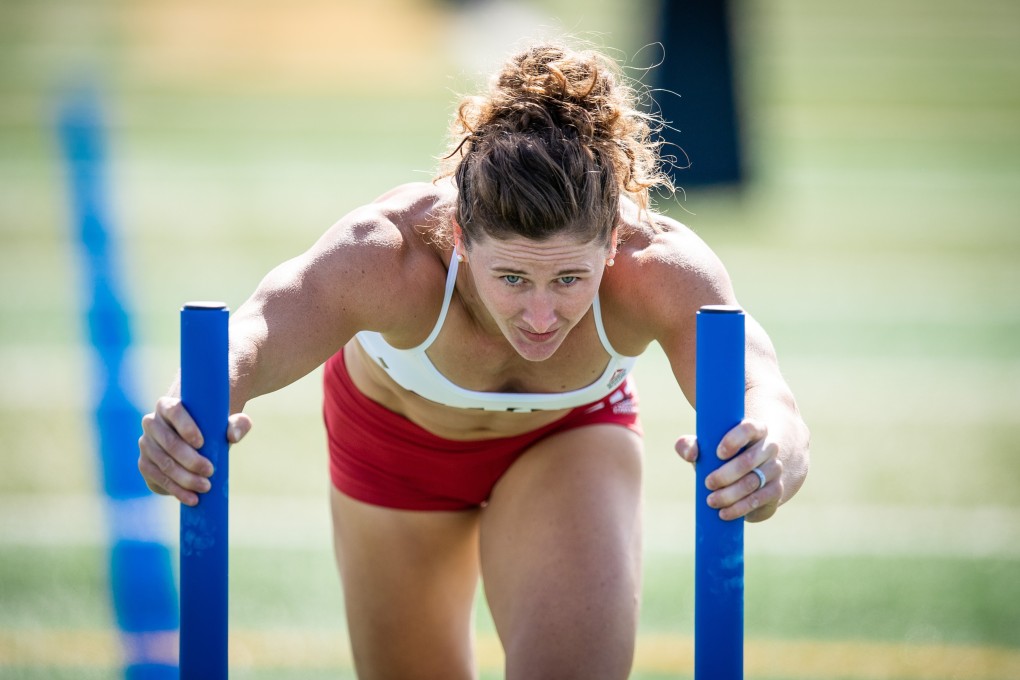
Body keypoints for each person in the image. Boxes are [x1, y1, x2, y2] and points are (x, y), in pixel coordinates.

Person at [138, 41, 809, 680]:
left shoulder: (659, 268)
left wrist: (772, 450)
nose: (542, 318)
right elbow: (251, 333)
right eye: (513, 279)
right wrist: (189, 408)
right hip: (392, 451)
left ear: (609, 241)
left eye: (570, 279)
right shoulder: (386, 255)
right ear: (459, 233)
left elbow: (762, 388)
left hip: (568, 442)